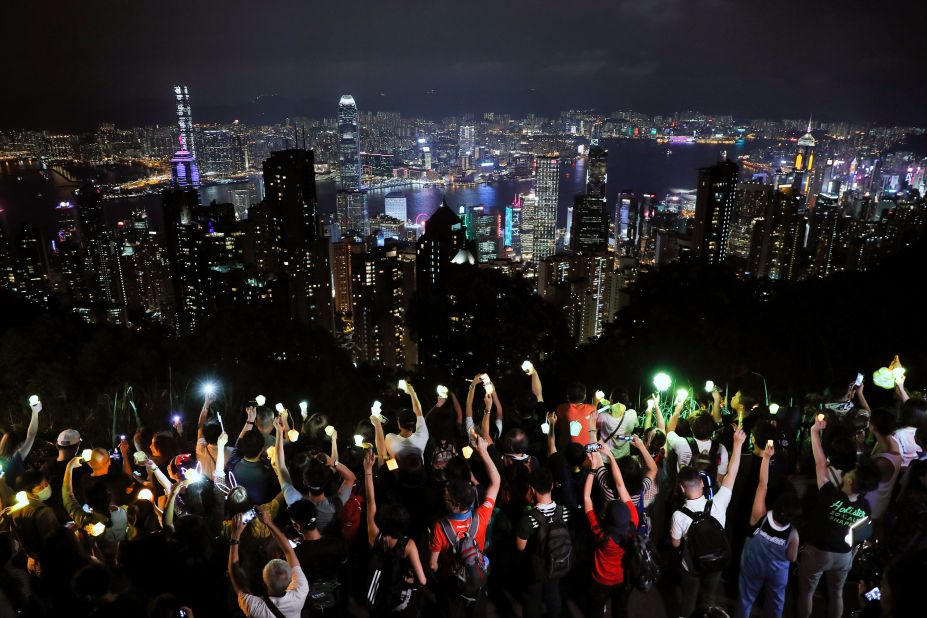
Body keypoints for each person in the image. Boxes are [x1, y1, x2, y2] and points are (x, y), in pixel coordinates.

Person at [797, 417, 879, 618]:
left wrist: (815, 432)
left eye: (851, 476)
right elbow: (861, 535)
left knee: (807, 592)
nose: (848, 475)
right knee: (836, 594)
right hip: (843, 555)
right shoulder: (865, 506)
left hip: (818, 551)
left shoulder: (829, 495)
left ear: (851, 482)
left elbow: (819, 462)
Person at [671, 428, 746, 618]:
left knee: (688, 598)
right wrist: (737, 445)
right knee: (709, 597)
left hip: (692, 564)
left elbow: (676, 544)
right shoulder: (719, 503)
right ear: (702, 483)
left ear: (681, 488)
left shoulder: (679, 515)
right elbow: (732, 474)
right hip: (716, 560)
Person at [429, 435, 500, 617]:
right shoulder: (481, 516)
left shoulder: (440, 527)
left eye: (446, 497)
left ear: (455, 504)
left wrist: (435, 572)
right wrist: (483, 451)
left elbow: (432, 564)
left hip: (452, 582)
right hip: (477, 578)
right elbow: (496, 482)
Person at [735, 441, 800, 618]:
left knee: (745, 599)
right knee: (776, 603)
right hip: (777, 572)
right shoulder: (792, 533)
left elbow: (762, 484)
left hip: (752, 565)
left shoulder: (760, 515)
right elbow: (792, 557)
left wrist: (766, 458)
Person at [363, 448, 426, 616]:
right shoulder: (409, 545)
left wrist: (368, 470)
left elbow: (370, 501)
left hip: (378, 592)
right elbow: (422, 580)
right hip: (399, 593)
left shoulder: (374, 536)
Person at [272, 415, 354, 533]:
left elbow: (280, 466)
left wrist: (279, 433)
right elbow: (350, 478)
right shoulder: (334, 505)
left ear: (305, 481)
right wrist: (334, 462)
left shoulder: (294, 499)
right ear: (326, 480)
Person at [584, 450, 638, 618]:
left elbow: (587, 498)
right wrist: (611, 457)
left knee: (596, 610)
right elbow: (621, 485)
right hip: (623, 579)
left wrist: (593, 469)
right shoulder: (634, 521)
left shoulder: (602, 535)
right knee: (621, 609)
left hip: (600, 580)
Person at [230, 506, 309, 618]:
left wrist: (235, 535)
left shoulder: (256, 609)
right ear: (291, 579)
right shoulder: (301, 590)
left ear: (264, 582)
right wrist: (268, 523)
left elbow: (234, 574)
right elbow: (289, 551)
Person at [515, 466, 569, 618]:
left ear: (531, 489)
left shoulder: (528, 519)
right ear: (552, 485)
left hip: (536, 568)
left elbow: (520, 547)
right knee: (553, 592)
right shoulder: (564, 511)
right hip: (558, 562)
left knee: (532, 599)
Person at [2, 469, 59, 566]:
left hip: (33, 560)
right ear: (28, 492)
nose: (46, 488)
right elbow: (55, 542)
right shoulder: (43, 511)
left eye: (46, 484)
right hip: (50, 562)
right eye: (41, 487)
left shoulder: (14, 510)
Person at [228, 428, 279, 506]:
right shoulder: (267, 470)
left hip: (240, 505)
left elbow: (237, 447)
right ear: (262, 450)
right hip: (260, 507)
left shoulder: (233, 466)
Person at [41, 428, 81, 523]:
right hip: (74, 519)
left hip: (50, 520)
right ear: (77, 446)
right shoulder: (81, 468)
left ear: (57, 445)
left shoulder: (45, 467)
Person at [0, 396, 42, 488]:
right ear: (19, 444)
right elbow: (31, 436)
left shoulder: (2, 462)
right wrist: (35, 413)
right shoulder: (15, 459)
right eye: (23, 443)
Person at [556, 382, 596, 447]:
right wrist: (595, 401)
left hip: (566, 451)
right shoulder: (592, 408)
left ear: (567, 396)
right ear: (585, 396)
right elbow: (595, 417)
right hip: (587, 451)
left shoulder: (561, 408)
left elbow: (558, 426)